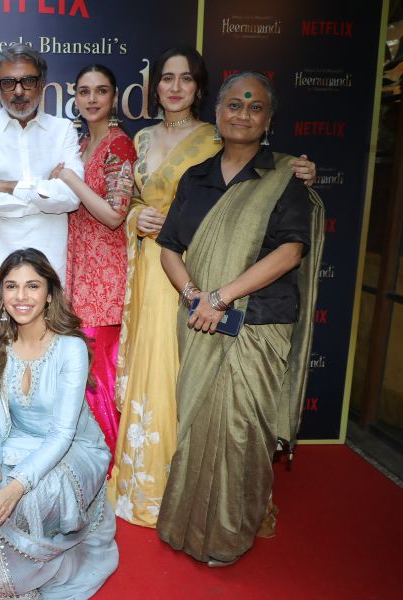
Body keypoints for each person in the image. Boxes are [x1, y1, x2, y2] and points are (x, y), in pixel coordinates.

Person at [108, 46, 317, 527]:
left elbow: (261, 191)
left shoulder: (216, 136)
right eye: (167, 78)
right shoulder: (140, 139)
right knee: (152, 368)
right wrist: (138, 217)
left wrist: (307, 171)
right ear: (155, 87)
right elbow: (130, 202)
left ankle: (195, 485)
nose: (175, 87)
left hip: (204, 271)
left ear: (200, 88)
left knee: (190, 369)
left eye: (185, 78)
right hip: (155, 265)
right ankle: (148, 484)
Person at [155, 72, 324, 566]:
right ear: (218, 113)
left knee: (243, 431)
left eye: (255, 108)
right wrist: (195, 297)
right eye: (234, 105)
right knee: (198, 425)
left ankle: (233, 531)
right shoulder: (196, 177)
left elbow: (291, 251)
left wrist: (221, 297)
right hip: (202, 321)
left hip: (259, 322)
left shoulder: (285, 176)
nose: (243, 115)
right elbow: (169, 248)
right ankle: (185, 524)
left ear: (269, 120)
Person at [0, 248, 118, 599]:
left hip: (73, 446)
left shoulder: (70, 348)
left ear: (49, 293)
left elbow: (62, 434)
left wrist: (14, 486)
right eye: (11, 286)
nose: (21, 297)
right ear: (0, 293)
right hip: (17, 440)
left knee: (34, 497)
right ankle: (16, 559)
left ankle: (43, 568)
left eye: (32, 286)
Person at [0, 44, 83, 359]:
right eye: (8, 83)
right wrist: (42, 193)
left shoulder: (62, 130)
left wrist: (6, 186)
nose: (18, 91)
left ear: (42, 84)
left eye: (27, 81)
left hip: (49, 253)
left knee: (50, 339)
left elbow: (72, 197)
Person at [54, 64, 136, 458]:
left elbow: (115, 214)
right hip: (79, 275)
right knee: (82, 377)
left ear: (114, 97)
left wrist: (71, 180)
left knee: (98, 378)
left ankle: (108, 467)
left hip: (106, 280)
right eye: (84, 91)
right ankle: (88, 464)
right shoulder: (82, 143)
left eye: (101, 91)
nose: (91, 99)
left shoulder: (119, 145)